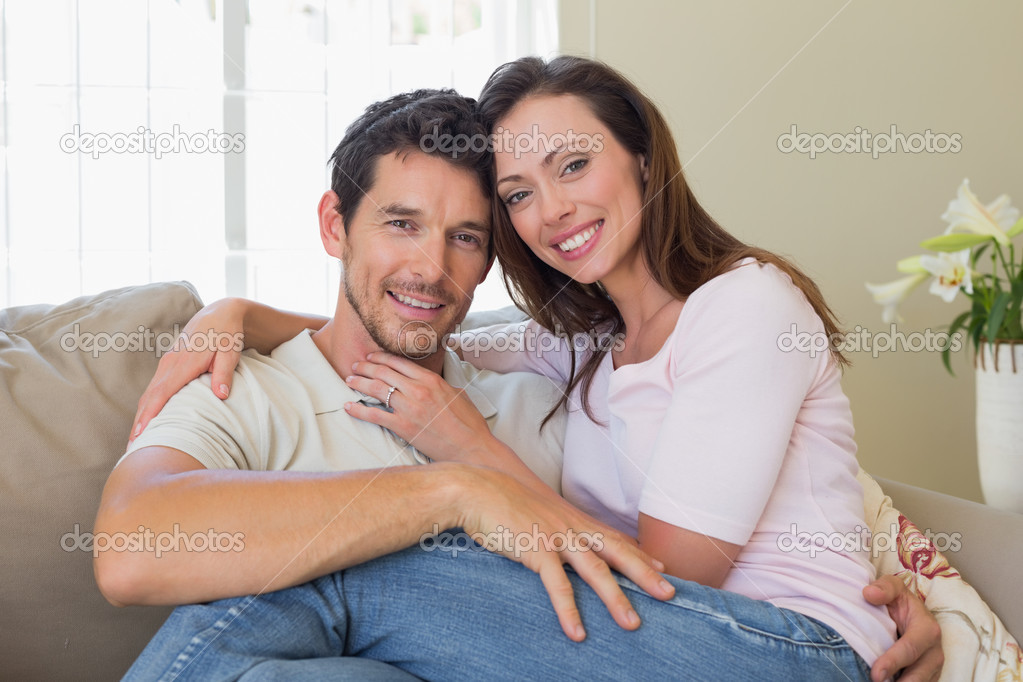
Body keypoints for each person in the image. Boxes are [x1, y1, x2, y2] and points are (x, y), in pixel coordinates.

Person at [116, 72, 942, 681]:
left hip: (778, 650)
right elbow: (418, 325)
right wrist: (238, 314)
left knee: (351, 563)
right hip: (666, 644)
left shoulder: (745, 305)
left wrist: (470, 459)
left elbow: (673, 582)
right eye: (519, 194)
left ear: (645, 160)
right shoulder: (580, 346)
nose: (550, 211)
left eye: (574, 165)